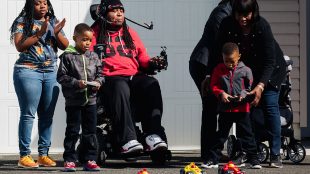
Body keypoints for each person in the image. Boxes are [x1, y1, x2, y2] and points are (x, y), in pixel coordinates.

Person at [210, 0, 287, 168]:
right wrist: (211, 75)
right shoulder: (227, 24)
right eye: (239, 14)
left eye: (246, 14)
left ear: (254, 12)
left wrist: (260, 86)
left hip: (271, 71)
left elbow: (270, 61)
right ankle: (250, 152)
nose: (242, 18)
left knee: (269, 105)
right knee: (246, 111)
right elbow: (217, 51)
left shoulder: (262, 26)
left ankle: (275, 153)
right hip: (246, 72)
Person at [90, 0, 168, 154]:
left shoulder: (129, 32)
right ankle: (127, 139)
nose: (119, 14)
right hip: (109, 78)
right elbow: (87, 58)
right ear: (104, 13)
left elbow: (143, 58)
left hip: (133, 76)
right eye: (114, 10)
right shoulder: (94, 33)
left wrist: (153, 63)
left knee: (151, 83)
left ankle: (152, 135)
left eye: (121, 10)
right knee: (120, 85)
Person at [10, 0, 68, 168]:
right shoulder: (22, 21)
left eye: (45, 2)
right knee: (28, 113)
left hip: (50, 72)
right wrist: (39, 33)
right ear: (30, 5)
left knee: (47, 115)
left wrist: (56, 32)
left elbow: (65, 45)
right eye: (37, 3)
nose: (42, 6)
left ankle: (43, 154)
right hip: (28, 71)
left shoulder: (52, 20)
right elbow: (20, 46)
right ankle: (24, 155)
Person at [202, 42, 261, 169]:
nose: (229, 64)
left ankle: (253, 159)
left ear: (239, 56)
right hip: (225, 108)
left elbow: (250, 87)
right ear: (222, 57)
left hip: (242, 109)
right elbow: (214, 85)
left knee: (247, 135)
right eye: (226, 61)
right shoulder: (218, 69)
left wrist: (243, 95)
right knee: (221, 135)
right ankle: (213, 159)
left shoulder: (246, 71)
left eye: (232, 61)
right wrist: (221, 93)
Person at [188, 0, 233, 161]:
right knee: (211, 107)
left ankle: (212, 150)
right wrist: (209, 75)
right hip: (204, 64)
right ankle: (209, 153)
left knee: (215, 107)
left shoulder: (231, 12)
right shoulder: (221, 13)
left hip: (212, 65)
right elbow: (219, 47)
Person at [57, 23, 103, 172]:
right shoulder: (67, 56)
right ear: (74, 38)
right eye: (84, 39)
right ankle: (69, 160)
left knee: (90, 132)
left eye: (90, 40)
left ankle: (90, 159)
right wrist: (77, 83)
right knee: (73, 131)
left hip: (91, 101)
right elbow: (61, 77)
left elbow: (101, 74)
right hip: (74, 102)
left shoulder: (94, 56)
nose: (87, 43)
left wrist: (98, 82)